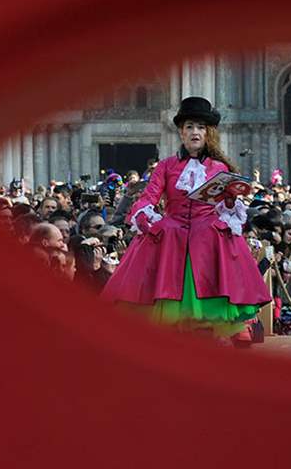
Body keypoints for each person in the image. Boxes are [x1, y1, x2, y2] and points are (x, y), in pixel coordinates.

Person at [101, 97, 270, 337]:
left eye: (200, 127)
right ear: (181, 132)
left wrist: (231, 200)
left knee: (208, 317)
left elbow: (224, 206)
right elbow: (150, 195)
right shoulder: (166, 166)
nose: (195, 132)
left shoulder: (219, 168)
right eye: (189, 127)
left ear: (208, 133)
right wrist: (143, 213)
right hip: (173, 233)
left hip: (208, 235)